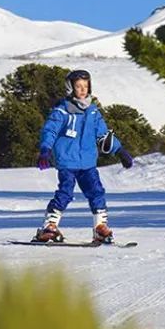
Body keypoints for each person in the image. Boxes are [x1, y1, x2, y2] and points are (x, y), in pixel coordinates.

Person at [34, 69, 133, 244]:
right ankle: (49, 227)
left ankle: (100, 228)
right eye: (78, 86)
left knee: (96, 192)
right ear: (70, 88)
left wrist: (120, 151)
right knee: (65, 193)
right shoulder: (62, 111)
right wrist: (45, 149)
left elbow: (103, 135)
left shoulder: (93, 112)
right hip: (67, 161)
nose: (82, 90)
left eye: (86, 86)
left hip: (87, 163)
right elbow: (50, 131)